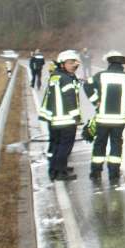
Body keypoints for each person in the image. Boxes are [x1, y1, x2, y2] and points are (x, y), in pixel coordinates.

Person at [84, 50, 125, 181]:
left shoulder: (100, 75)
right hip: (119, 122)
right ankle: (113, 174)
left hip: (102, 119)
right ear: (122, 64)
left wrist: (95, 100)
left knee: (99, 144)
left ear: (109, 62)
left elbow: (87, 84)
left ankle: (95, 173)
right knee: (116, 145)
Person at [39, 50, 82, 181]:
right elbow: (70, 100)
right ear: (62, 64)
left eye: (75, 63)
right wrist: (77, 118)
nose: (74, 65)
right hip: (66, 120)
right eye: (71, 63)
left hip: (54, 119)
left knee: (55, 145)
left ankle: (53, 169)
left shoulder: (56, 76)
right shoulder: (66, 79)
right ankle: (61, 172)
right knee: (65, 146)